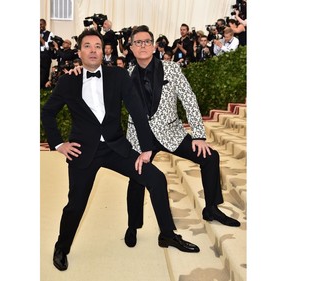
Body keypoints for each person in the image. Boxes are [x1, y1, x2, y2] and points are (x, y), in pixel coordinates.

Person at [41, 28, 200, 272]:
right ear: (79, 51)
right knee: (76, 203)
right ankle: (62, 246)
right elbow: (48, 113)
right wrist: (60, 144)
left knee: (156, 179)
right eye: (87, 46)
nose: (93, 50)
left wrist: (146, 148)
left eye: (97, 46)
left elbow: (137, 110)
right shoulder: (68, 80)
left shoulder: (118, 76)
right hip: (83, 151)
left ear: (104, 51)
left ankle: (167, 234)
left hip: (116, 147)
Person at [122, 25, 241, 247]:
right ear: (131, 47)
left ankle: (212, 208)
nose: (143, 45)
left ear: (154, 44)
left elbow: (189, 99)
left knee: (210, 157)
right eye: (137, 42)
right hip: (140, 138)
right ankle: (132, 226)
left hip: (171, 132)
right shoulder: (125, 75)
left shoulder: (171, 69)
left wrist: (198, 135)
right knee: (137, 179)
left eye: (147, 41)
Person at [40, 18, 54, 89]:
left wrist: (41, 39)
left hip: (45, 57)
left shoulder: (50, 34)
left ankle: (42, 90)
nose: (39, 26)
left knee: (44, 75)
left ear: (45, 24)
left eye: (41, 24)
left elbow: (49, 46)